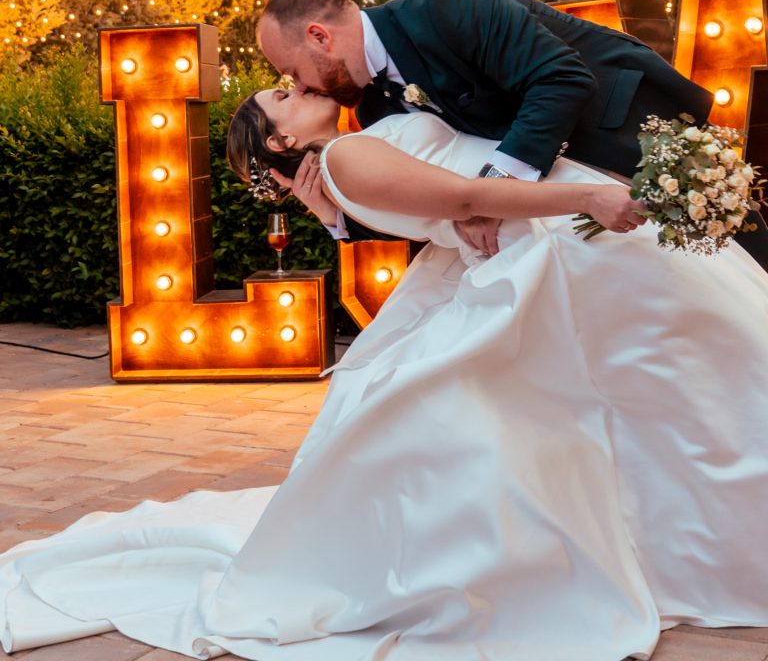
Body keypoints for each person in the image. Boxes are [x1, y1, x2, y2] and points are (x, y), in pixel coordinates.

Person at [1, 87, 767, 661]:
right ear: (281, 144)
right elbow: (465, 195)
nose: (293, 88)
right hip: (558, 240)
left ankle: (684, 547)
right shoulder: (344, 155)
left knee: (630, 411)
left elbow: (441, 198)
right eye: (281, 101)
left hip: (551, 252)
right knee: (667, 396)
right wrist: (589, 195)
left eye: (288, 81)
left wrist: (342, 217)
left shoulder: (361, 136)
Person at [257, 0, 768, 269]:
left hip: (630, 142)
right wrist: (335, 215)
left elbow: (562, 80)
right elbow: (425, 203)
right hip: (575, 220)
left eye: (291, 71)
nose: (300, 86)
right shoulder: (374, 109)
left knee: (745, 276)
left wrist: (492, 192)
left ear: (320, 37)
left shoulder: (446, 4)